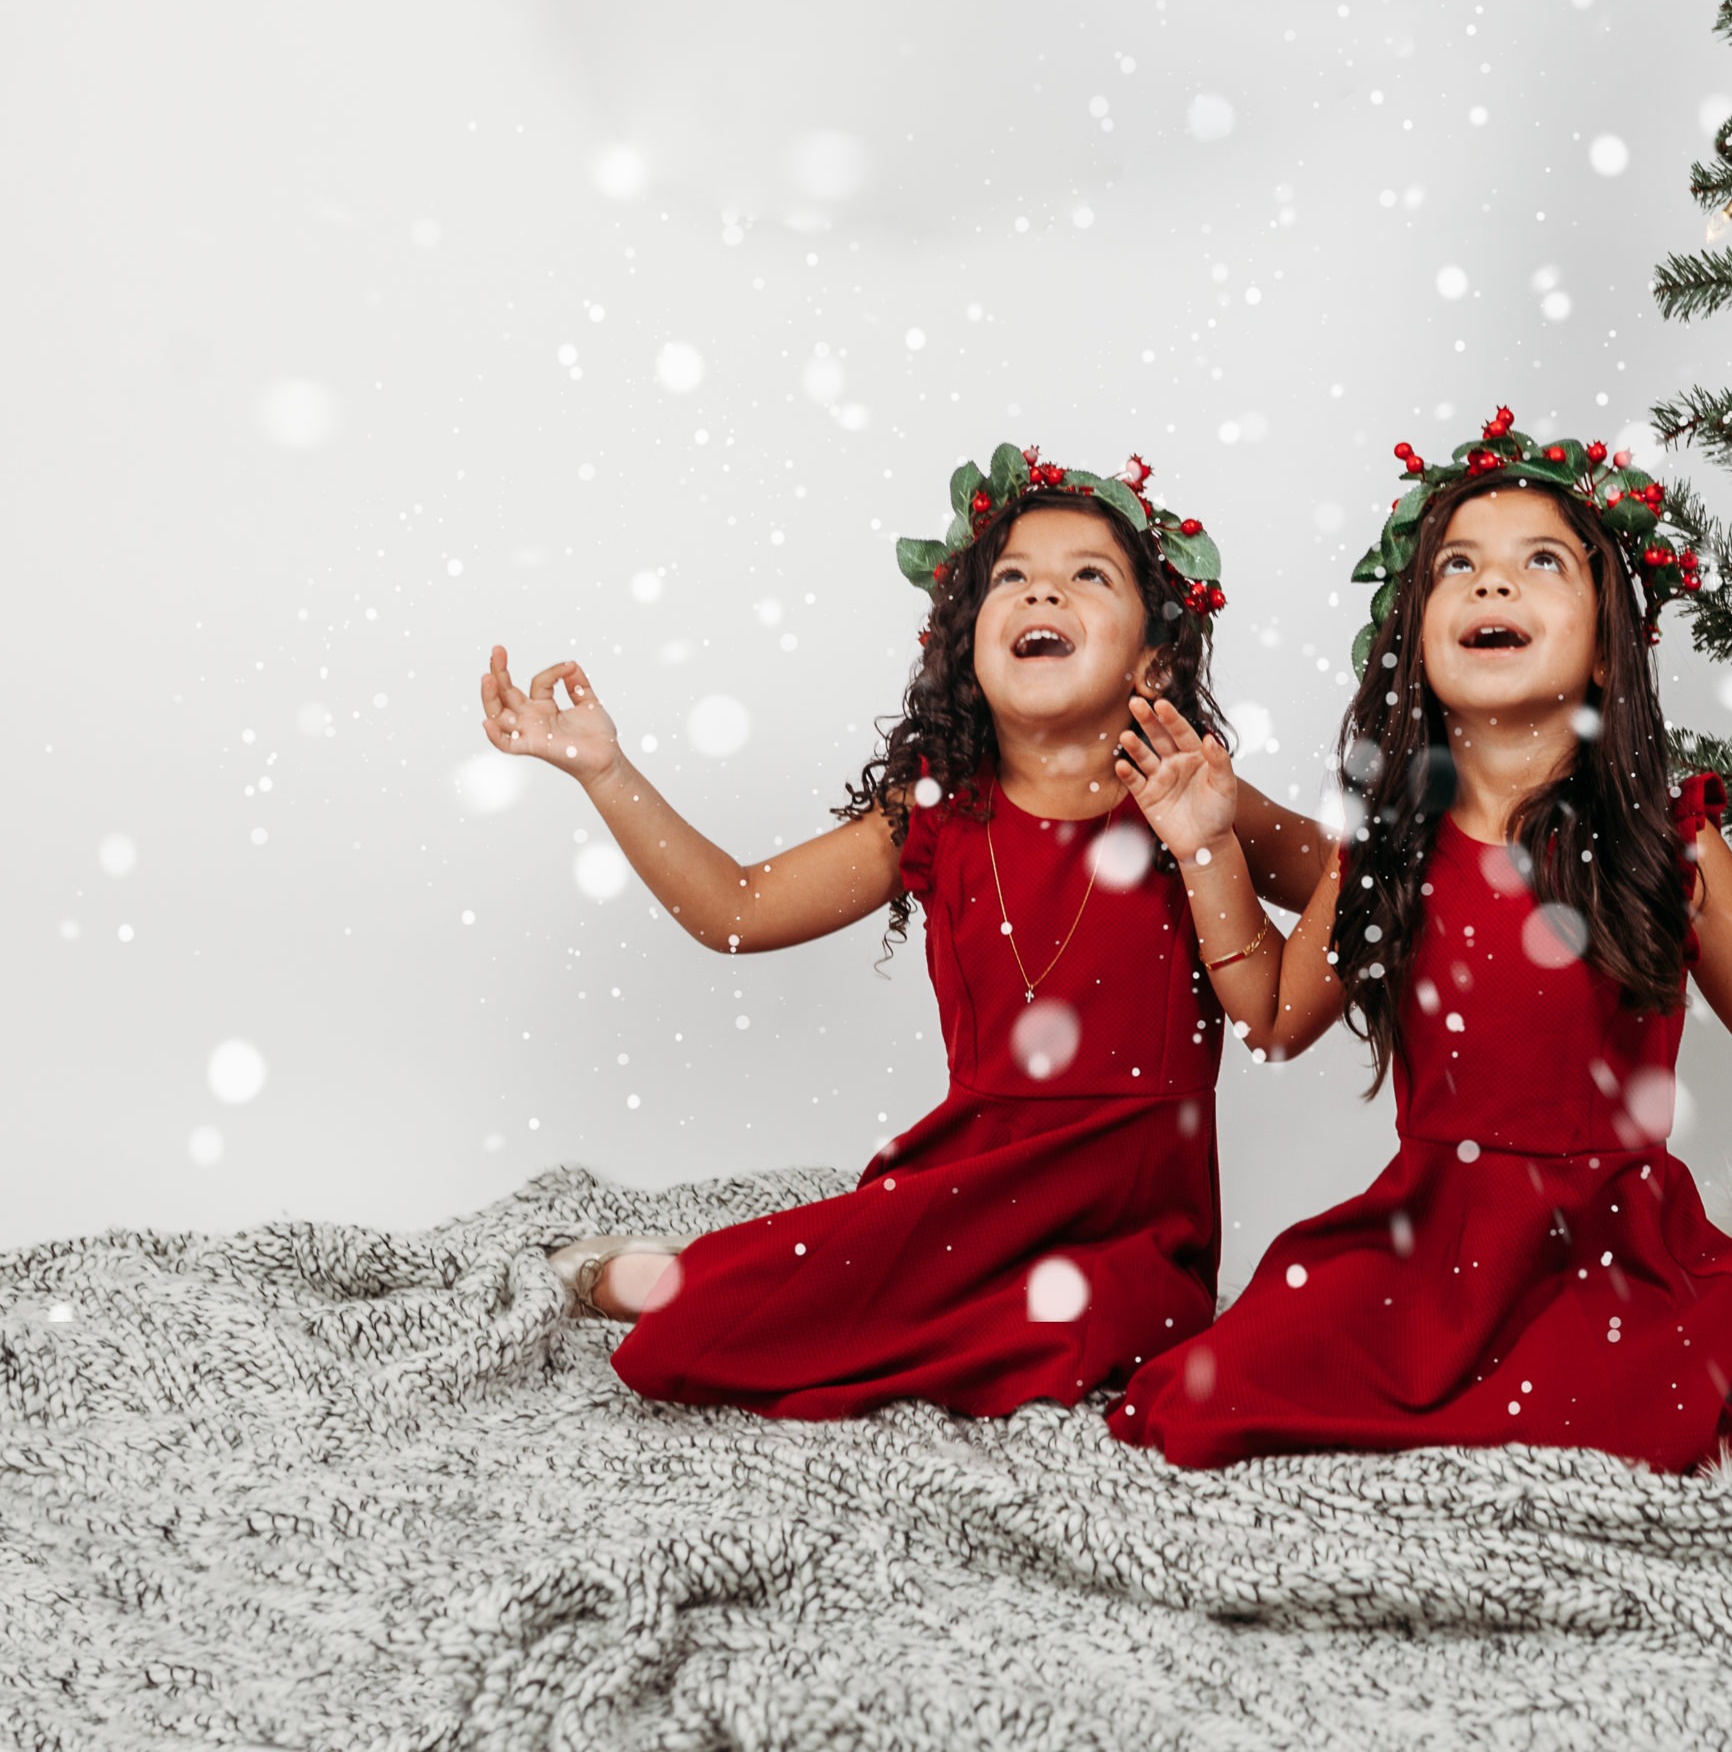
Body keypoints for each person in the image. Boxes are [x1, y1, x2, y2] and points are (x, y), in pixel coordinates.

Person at [1103, 410, 1732, 1472]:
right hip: (1424, 1250)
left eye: (1540, 562)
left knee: (1594, 1422)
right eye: (1458, 567)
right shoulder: (1386, 844)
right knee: (1199, 1400)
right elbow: (1274, 1018)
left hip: (1608, 1266)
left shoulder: (1673, 848)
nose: (1490, 584)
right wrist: (1205, 846)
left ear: (1610, 654)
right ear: (1414, 645)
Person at [479, 446, 1320, 1420]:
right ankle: (669, 1273)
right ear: (967, 642)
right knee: (697, 1336)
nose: (1042, 591)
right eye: (1013, 578)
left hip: (1135, 1224)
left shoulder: (1200, 804)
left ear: (1153, 656)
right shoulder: (934, 813)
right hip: (963, 1192)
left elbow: (1350, 873)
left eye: (1087, 575)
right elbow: (737, 909)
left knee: (1078, 1336)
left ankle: (748, 1280)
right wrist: (603, 769)